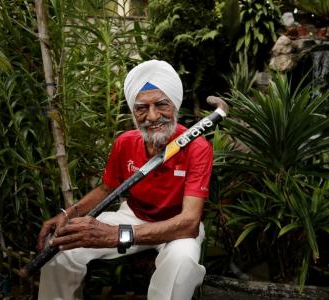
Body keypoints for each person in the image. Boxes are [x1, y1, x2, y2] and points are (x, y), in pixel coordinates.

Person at [37, 60, 214, 300]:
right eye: (142, 107)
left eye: (161, 104)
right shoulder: (125, 142)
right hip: (131, 216)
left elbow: (189, 223)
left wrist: (116, 234)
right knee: (60, 248)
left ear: (175, 104)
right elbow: (106, 188)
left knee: (182, 264)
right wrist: (69, 214)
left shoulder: (197, 147)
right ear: (133, 111)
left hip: (177, 225)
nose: (152, 116)